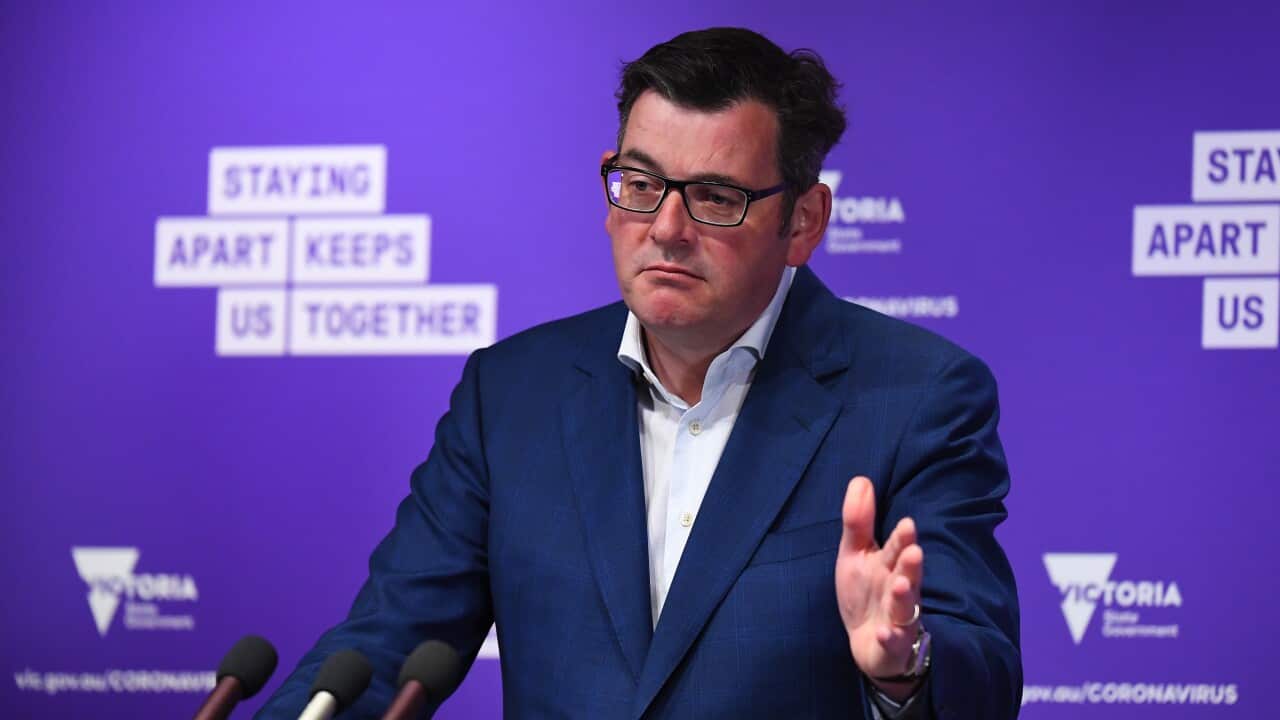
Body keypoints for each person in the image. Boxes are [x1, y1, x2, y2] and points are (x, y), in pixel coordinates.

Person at [258, 27, 1020, 719]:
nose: (666, 228)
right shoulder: (513, 394)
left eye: (716, 197)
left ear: (805, 222)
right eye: (642, 183)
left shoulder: (916, 397)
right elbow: (385, 645)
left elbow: (981, 680)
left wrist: (904, 668)